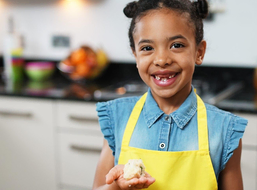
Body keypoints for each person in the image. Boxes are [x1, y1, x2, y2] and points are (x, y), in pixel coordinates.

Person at [93, 0, 247, 189]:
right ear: (135, 55)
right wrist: (117, 186)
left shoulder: (224, 131)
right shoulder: (117, 119)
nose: (161, 60)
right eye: (147, 48)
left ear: (199, 52)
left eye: (176, 45)